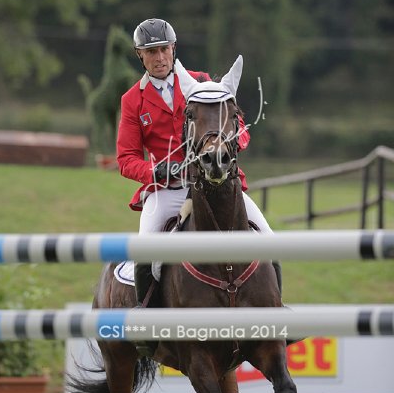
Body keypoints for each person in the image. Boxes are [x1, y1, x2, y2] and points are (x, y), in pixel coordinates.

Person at [116, 18, 276, 308]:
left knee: (270, 240)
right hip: (167, 190)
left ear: (173, 48)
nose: (159, 58)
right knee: (145, 250)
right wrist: (155, 171)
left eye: (164, 49)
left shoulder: (201, 82)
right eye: (151, 52)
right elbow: (126, 159)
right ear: (140, 55)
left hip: (217, 184)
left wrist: (230, 146)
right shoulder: (132, 100)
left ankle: (277, 310)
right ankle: (147, 316)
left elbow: (237, 125)